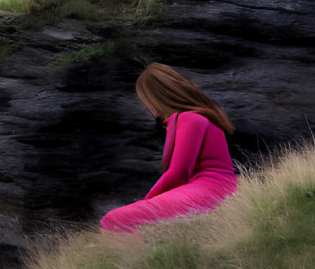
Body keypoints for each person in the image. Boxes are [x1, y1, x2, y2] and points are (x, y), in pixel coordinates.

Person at [100, 63, 237, 232]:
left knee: (113, 220)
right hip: (213, 187)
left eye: (145, 100)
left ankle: (138, 257)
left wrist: (146, 200)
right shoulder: (188, 119)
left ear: (154, 98)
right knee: (124, 219)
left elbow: (178, 173)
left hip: (213, 189)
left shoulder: (189, 119)